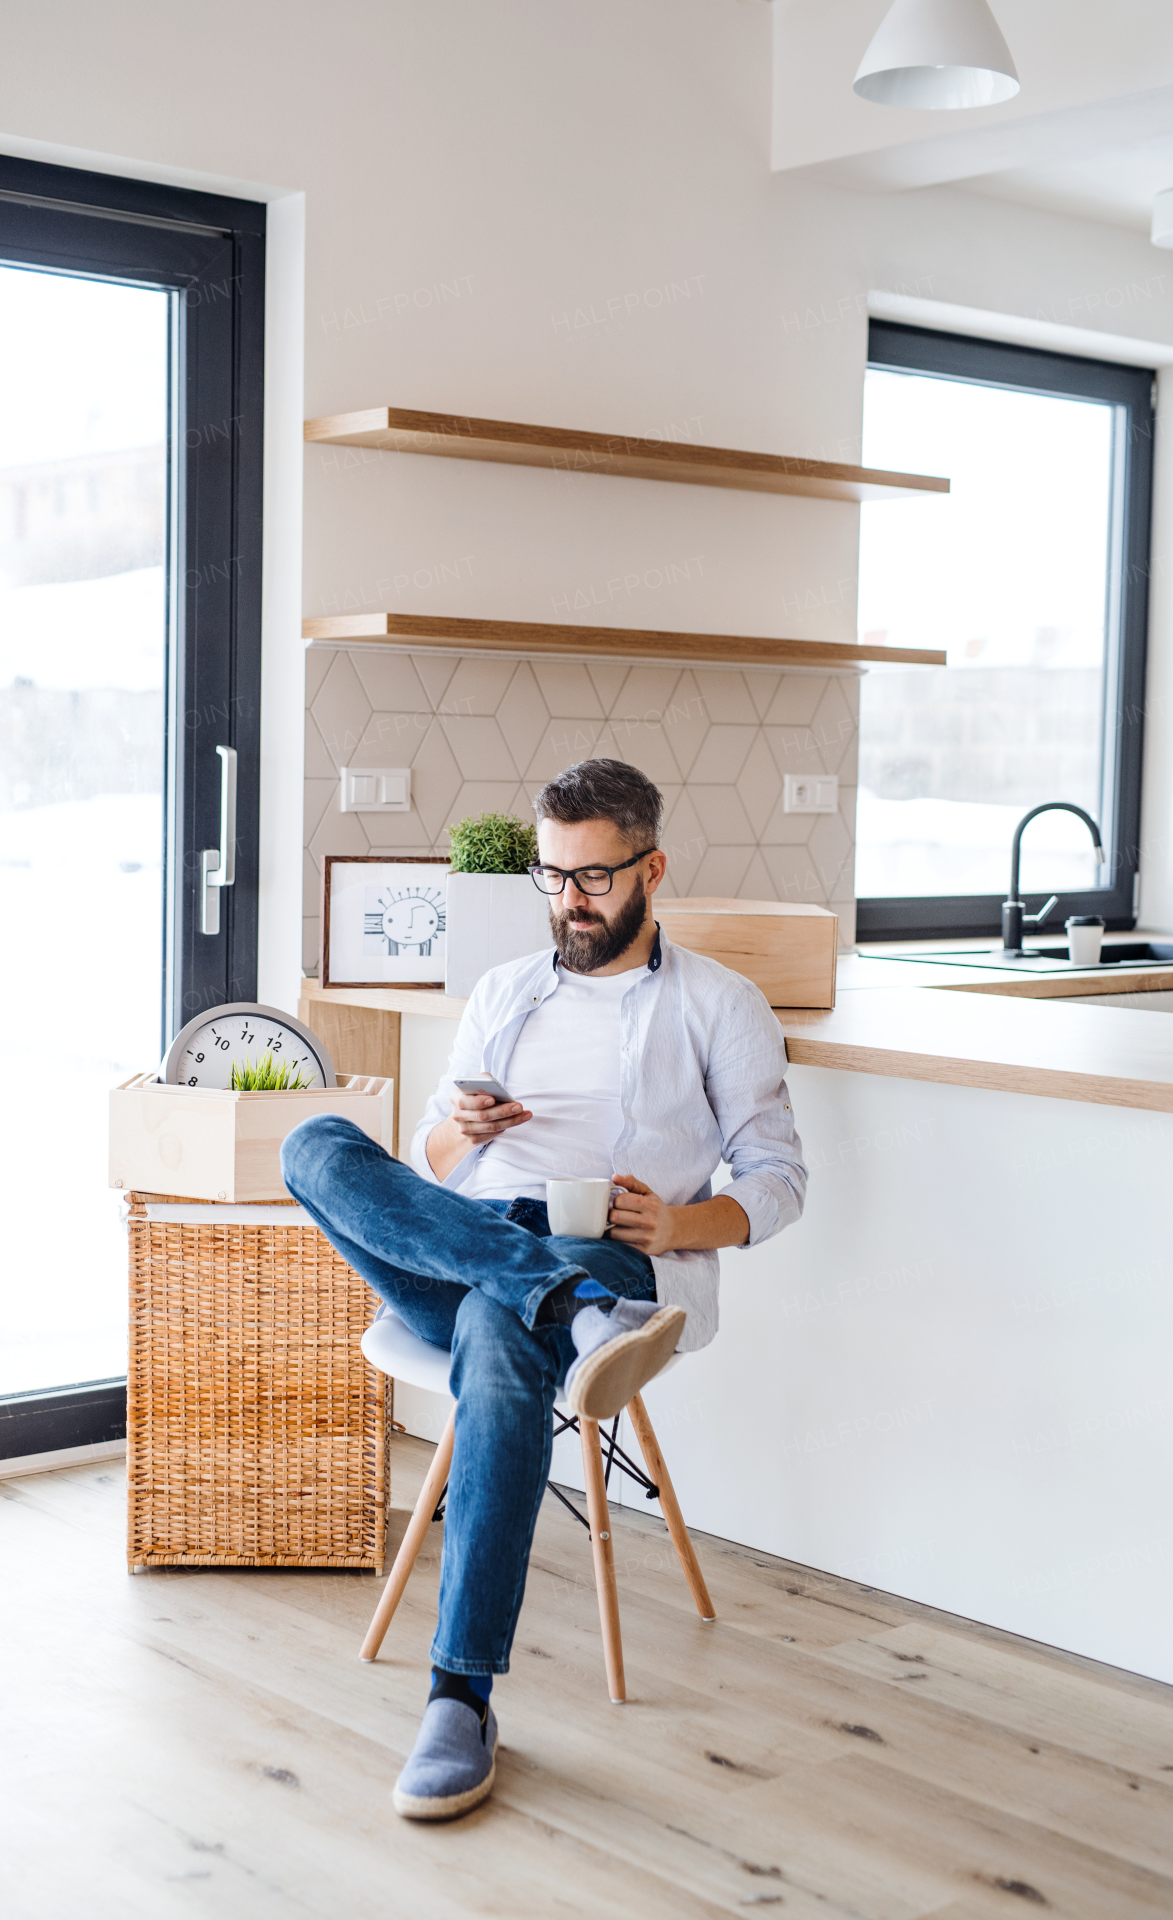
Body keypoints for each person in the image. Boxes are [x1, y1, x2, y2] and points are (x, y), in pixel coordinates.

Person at [281, 758, 806, 1821]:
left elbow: (778, 1181)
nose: (568, 900)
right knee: (316, 1142)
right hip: (480, 1237)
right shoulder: (503, 992)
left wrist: (676, 1223)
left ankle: (457, 1697)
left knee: (492, 1330)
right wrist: (453, 1134)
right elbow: (429, 1163)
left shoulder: (719, 1004)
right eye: (553, 875)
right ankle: (545, 1297)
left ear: (650, 868)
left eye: (593, 878)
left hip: (614, 1254)